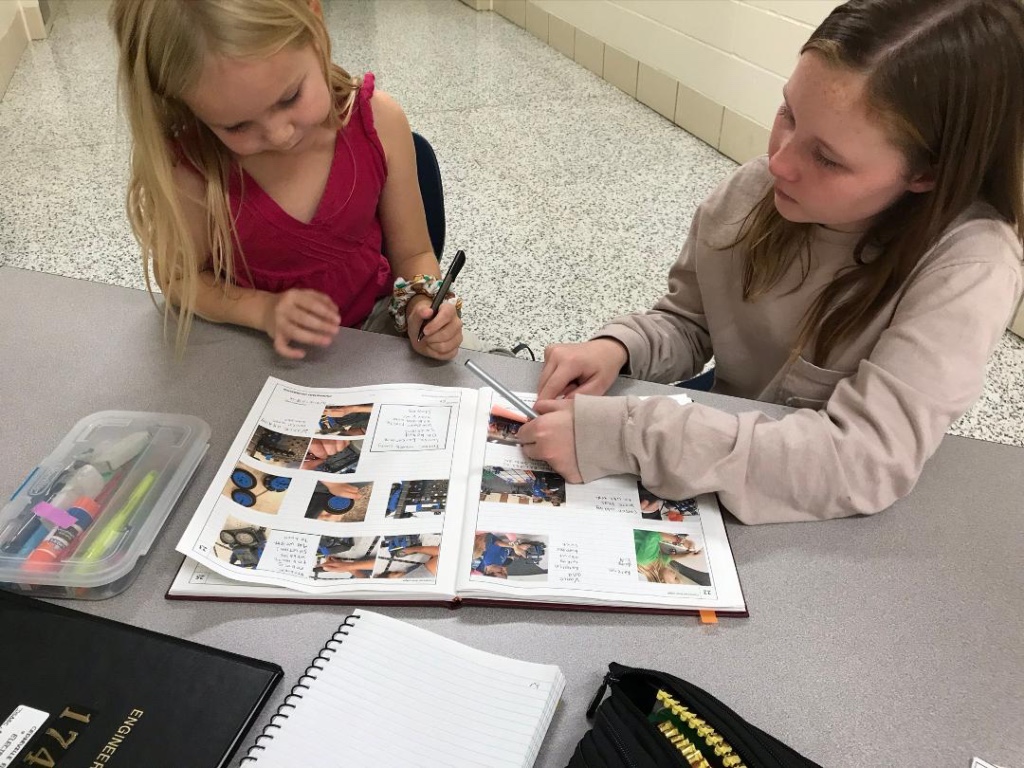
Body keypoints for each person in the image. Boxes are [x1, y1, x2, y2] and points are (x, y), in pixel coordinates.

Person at [519, 0, 1024, 524]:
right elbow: (690, 322)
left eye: (827, 158)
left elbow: (864, 462)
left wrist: (629, 436)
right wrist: (618, 348)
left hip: (816, 510)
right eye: (788, 112)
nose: (779, 162)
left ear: (925, 175)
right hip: (721, 439)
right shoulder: (757, 189)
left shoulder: (971, 269)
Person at [109, 0, 463, 360]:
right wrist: (262, 310)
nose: (279, 135)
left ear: (314, 20)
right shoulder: (191, 169)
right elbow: (180, 280)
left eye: (290, 97)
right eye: (237, 125)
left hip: (373, 334)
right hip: (253, 348)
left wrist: (422, 305)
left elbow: (416, 254)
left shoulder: (381, 123)